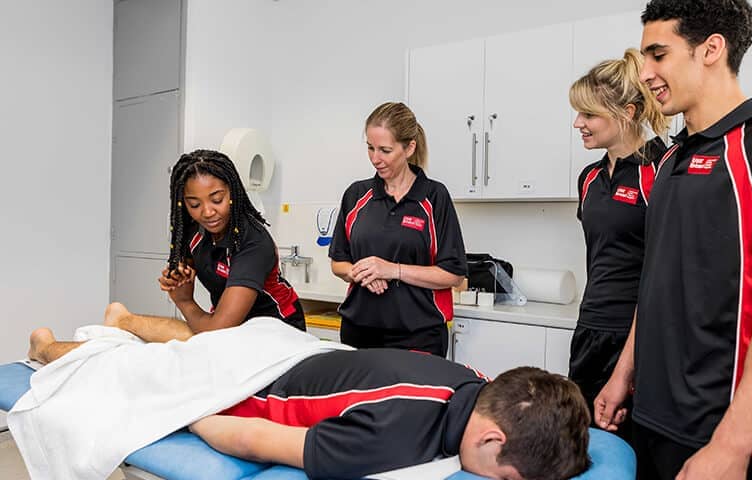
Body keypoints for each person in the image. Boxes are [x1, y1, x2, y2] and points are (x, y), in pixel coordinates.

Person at [594, 1, 752, 479]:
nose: (644, 73)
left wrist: (730, 446)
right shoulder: (669, 162)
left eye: (658, 55)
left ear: (710, 50)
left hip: (723, 428)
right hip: (651, 415)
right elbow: (656, 282)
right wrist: (623, 375)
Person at [28, 150, 305, 364]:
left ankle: (54, 345)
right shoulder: (196, 232)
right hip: (229, 331)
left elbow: (217, 330)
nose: (207, 212)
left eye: (217, 199)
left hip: (274, 335)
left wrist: (184, 300)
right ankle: (108, 323)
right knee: (162, 349)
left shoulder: (252, 241)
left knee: (155, 355)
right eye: (194, 204)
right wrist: (178, 277)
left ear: (233, 192)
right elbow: (192, 277)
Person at [190, 349, 591, 480]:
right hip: (254, 386)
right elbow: (253, 439)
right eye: (505, 479)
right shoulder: (392, 439)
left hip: (314, 358)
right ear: (490, 439)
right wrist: (188, 416)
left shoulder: (474, 382)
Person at [568, 48, 670, 446]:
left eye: (589, 114)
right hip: (590, 328)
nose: (578, 123)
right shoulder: (589, 178)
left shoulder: (660, 170)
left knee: (629, 451)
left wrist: (626, 364)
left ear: (627, 112)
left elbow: (663, 273)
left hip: (638, 339)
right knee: (581, 449)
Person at [329, 102, 467, 357]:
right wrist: (366, 273)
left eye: (385, 150)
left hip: (418, 335)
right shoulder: (357, 195)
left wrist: (392, 270)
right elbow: (339, 263)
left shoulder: (434, 197)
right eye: (370, 148)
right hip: (358, 330)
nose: (375, 158)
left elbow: (453, 275)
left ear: (409, 148)